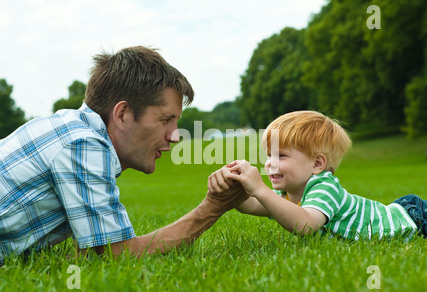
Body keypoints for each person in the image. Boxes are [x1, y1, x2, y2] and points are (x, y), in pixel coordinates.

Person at [0, 46, 247, 264]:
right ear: (123, 114)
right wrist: (212, 208)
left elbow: (92, 252)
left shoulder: (71, 129)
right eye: (165, 120)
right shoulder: (83, 145)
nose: (175, 136)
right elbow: (117, 254)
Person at [208, 110, 427, 240]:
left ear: (317, 164)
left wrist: (259, 189)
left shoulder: (324, 186)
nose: (270, 164)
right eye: (268, 155)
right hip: (409, 212)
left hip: (420, 220)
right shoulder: (287, 193)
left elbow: (305, 225)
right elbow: (253, 206)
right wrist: (234, 190)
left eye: (281, 156)